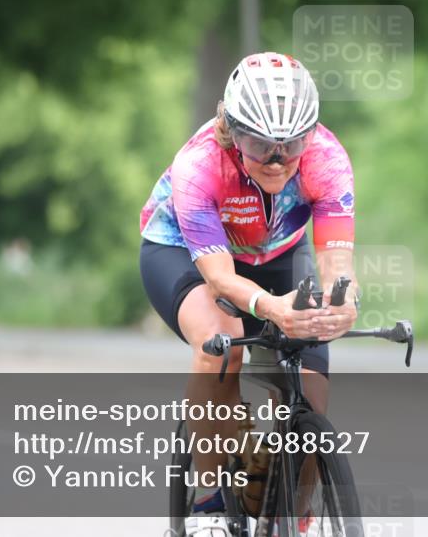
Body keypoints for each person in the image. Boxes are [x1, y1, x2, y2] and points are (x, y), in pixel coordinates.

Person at [139, 52, 358, 537]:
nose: (277, 161)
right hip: (183, 253)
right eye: (259, 144)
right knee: (221, 340)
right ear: (232, 130)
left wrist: (342, 302)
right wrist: (272, 308)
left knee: (312, 382)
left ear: (310, 136)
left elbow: (337, 264)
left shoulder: (326, 158)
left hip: (276, 253)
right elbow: (219, 279)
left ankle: (292, 515)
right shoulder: (200, 164)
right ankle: (210, 500)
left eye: (291, 144)